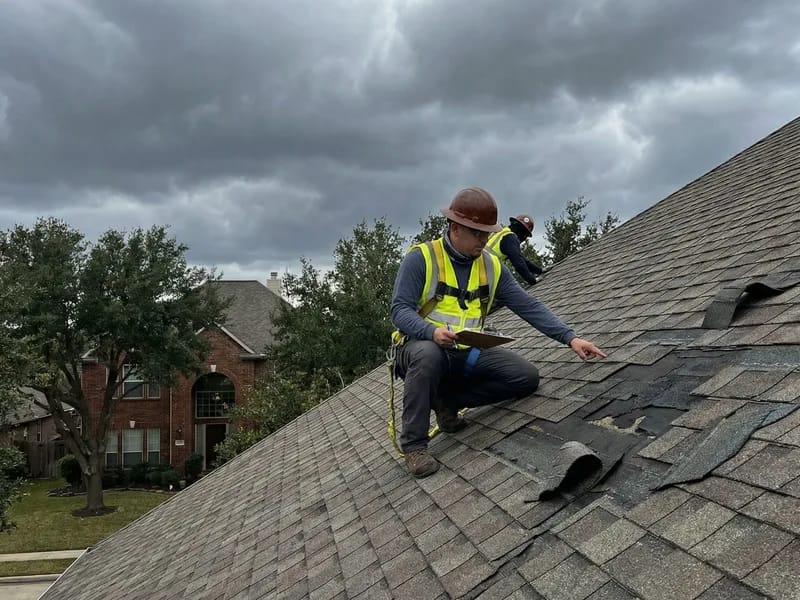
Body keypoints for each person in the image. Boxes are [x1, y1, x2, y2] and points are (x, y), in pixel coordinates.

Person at [390, 187, 606, 478]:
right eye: (477, 233)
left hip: (465, 352)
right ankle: (415, 446)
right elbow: (400, 310)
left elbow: (527, 304)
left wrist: (571, 337)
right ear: (455, 227)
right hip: (421, 350)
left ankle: (448, 401)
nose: (484, 239)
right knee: (428, 355)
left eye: (487, 233)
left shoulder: (491, 266)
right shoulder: (422, 258)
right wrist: (430, 331)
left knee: (525, 377)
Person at [486, 214, 543, 285]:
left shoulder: (501, 233)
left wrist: (539, 271)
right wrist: (532, 280)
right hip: (485, 270)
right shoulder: (510, 238)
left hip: (480, 266)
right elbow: (518, 263)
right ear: (523, 234)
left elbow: (521, 259)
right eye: (525, 236)